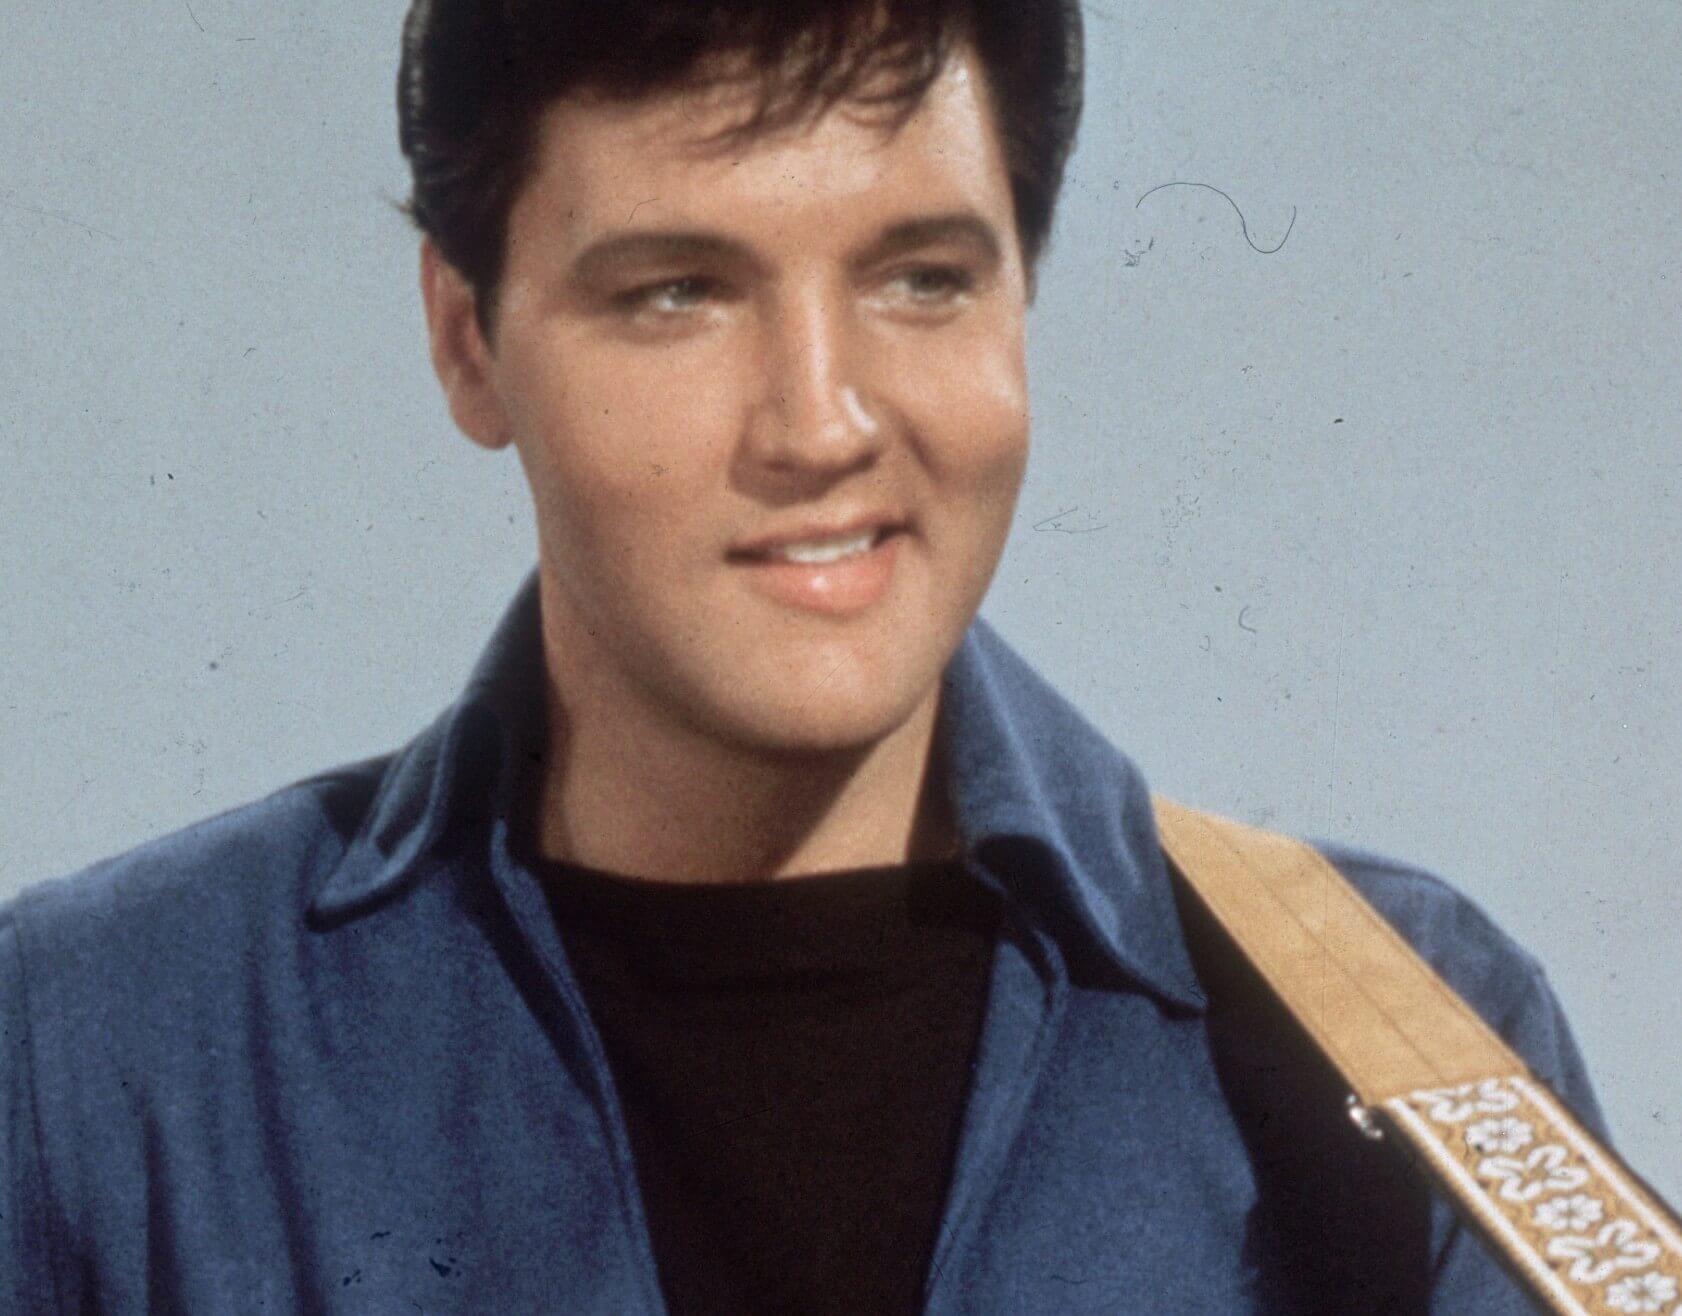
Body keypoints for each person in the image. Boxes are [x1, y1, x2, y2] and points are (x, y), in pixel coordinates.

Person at [0, 1, 1609, 1311]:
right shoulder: (90, 1055)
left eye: (921, 279)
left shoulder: (1413, 1035)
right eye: (678, 294)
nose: (822, 424)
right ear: (464, 338)